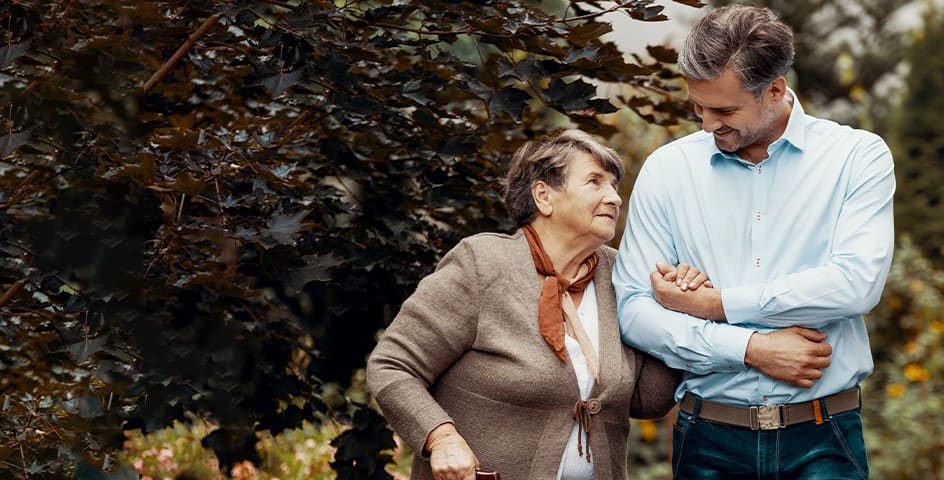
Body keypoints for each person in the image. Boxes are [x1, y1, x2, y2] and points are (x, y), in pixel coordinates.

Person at [612, 5, 896, 479]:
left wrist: (718, 304)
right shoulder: (668, 170)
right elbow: (635, 310)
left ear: (775, 90)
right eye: (697, 108)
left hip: (824, 437)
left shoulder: (857, 158)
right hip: (707, 438)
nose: (706, 125)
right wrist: (748, 348)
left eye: (724, 110)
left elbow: (855, 284)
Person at [366, 130, 685, 480]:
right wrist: (441, 437)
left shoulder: (621, 274)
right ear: (544, 196)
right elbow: (393, 365)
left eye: (613, 185)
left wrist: (675, 308)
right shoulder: (483, 264)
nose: (614, 198)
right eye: (594, 182)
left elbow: (648, 399)